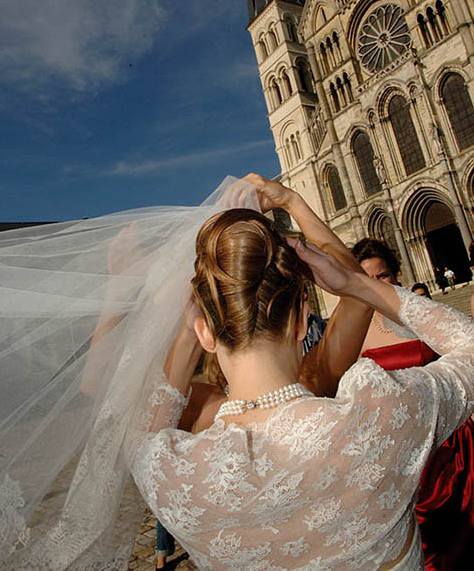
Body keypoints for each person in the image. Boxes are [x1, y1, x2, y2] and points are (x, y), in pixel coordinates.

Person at [123, 176, 474, 570]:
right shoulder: (379, 414)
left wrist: (189, 333)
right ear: (304, 317)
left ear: (206, 330)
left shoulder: (169, 475)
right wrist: (357, 285)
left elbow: (136, 431)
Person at [353, 238, 474, 570]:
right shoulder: (354, 333)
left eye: (383, 276)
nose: (376, 285)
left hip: (451, 443)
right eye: (367, 278)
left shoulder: (425, 316)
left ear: (396, 274)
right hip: (402, 456)